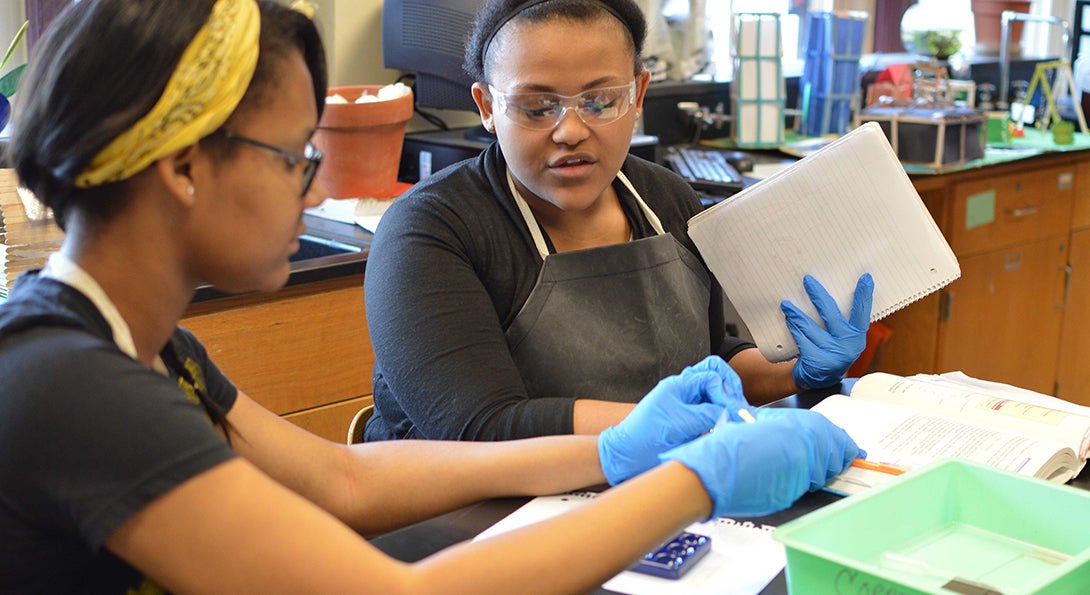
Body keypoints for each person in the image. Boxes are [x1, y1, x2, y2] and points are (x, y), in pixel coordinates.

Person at [0, 1, 861, 592]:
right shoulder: (68, 385)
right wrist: (692, 481)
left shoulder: (145, 347)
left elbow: (342, 478)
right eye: (295, 157)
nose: (311, 192)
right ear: (184, 166)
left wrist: (618, 450)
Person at [363, 0, 875, 442]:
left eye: (600, 101)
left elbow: (717, 362)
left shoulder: (666, 199)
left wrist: (797, 370)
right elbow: (481, 427)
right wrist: (675, 428)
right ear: (487, 107)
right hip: (473, 523)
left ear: (638, 95)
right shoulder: (431, 231)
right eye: (537, 107)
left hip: (656, 487)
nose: (570, 131)